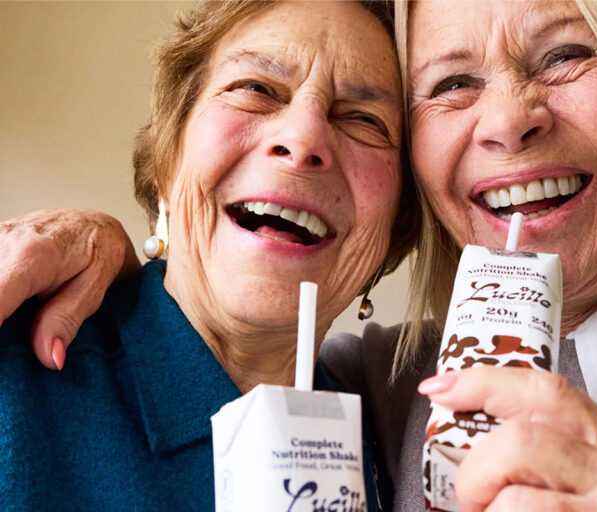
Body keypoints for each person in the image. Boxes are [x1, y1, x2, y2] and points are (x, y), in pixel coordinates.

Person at [3, 0, 597, 511]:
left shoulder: (377, 401)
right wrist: (102, 245)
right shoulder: (393, 387)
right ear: (165, 155)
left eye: (565, 54)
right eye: (454, 82)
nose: (506, 119)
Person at [0, 1, 419, 510]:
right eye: (256, 90)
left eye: (363, 119)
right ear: (167, 158)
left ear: (397, 222)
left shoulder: (406, 446)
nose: (304, 138)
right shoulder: (16, 369)